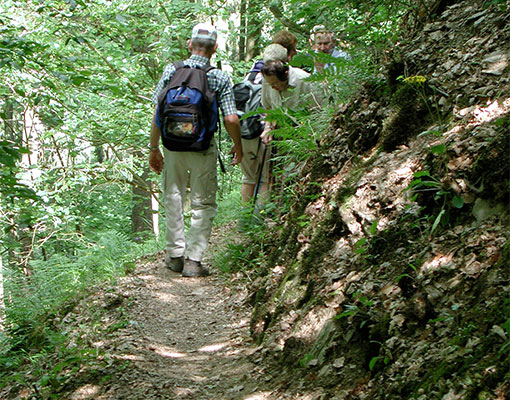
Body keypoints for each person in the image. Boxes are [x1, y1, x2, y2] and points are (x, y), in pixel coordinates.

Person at [149, 22, 243, 277]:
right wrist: (238, 145)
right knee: (203, 203)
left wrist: (153, 148)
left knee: (174, 198)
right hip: (203, 147)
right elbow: (231, 119)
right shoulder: (219, 77)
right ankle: (194, 261)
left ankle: (175, 256)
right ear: (214, 49)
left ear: (189, 45)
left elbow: (158, 111)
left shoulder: (171, 70)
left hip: (172, 147)